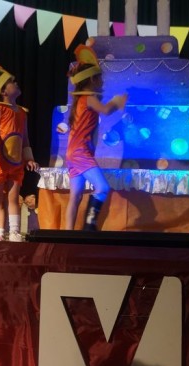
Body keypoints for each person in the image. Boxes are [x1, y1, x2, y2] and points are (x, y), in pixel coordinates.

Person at [64, 45, 126, 231]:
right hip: (80, 152)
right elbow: (105, 110)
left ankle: (67, 234)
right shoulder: (89, 98)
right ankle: (89, 226)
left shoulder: (80, 100)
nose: (102, 81)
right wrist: (117, 101)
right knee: (102, 188)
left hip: (72, 153)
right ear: (92, 79)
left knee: (75, 197)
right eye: (100, 78)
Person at [0, 61, 39, 241]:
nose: (16, 83)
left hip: (16, 162)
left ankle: (13, 231)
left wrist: (29, 158)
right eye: (12, 82)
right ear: (3, 91)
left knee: (13, 198)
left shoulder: (21, 112)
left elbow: (25, 139)